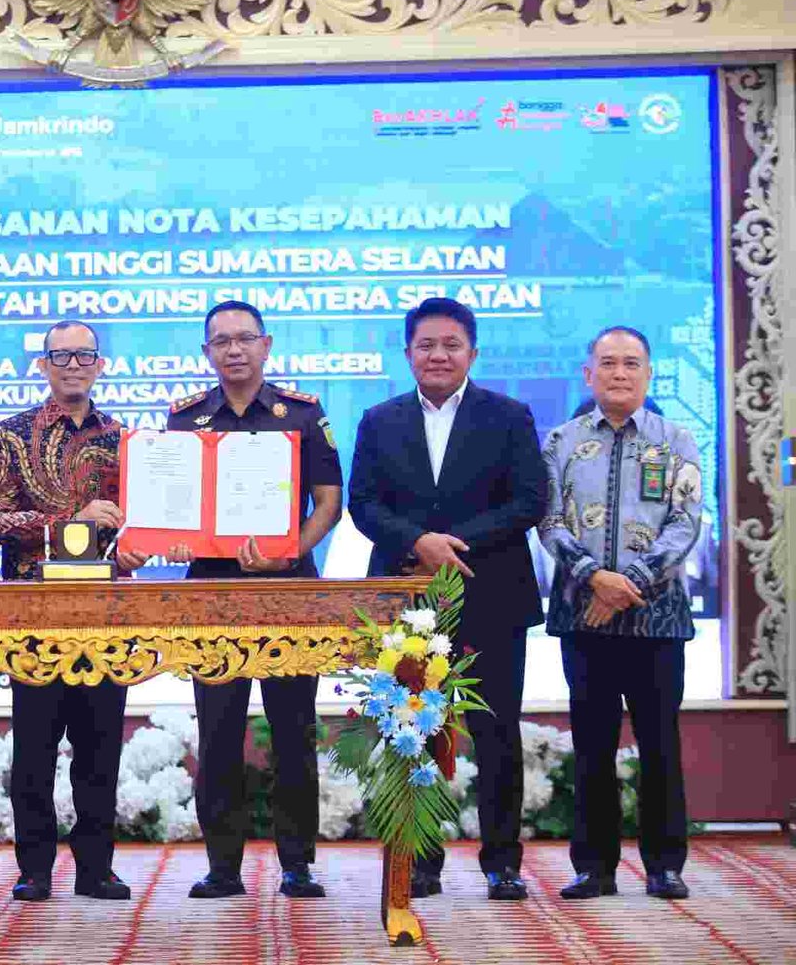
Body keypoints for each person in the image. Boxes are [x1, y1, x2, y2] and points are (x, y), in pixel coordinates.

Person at [347, 296, 546, 901]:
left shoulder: (509, 416)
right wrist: (418, 542)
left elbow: (529, 500)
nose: (438, 355)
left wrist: (450, 544)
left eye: (451, 345)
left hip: (493, 595)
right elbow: (363, 503)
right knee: (413, 729)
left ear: (472, 353)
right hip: (406, 597)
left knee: (497, 731)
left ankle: (502, 862)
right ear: (408, 353)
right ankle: (420, 861)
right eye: (426, 345)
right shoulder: (379, 420)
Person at [160, 300, 343, 901]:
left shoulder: (303, 413)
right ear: (206, 352)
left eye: (245, 339)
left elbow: (328, 501)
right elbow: (171, 504)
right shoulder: (185, 419)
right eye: (222, 341)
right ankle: (223, 867)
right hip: (213, 595)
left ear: (266, 345)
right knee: (218, 732)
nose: (234, 350)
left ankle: (297, 864)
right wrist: (167, 536)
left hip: (288, 593)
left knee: (293, 729)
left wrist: (291, 552)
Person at [539, 327, 701, 902]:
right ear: (589, 374)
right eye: (608, 363)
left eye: (632, 363)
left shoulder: (677, 439)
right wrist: (594, 578)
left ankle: (665, 865)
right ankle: (594, 867)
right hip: (584, 614)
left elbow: (686, 522)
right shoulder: (560, 441)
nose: (619, 373)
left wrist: (629, 581)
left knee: (660, 743)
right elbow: (548, 521)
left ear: (648, 373)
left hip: (657, 617)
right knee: (592, 744)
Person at [0, 319, 134, 902]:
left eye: (84, 355)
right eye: (61, 356)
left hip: (105, 614)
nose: (73, 365)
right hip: (34, 613)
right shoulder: (11, 435)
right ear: (42, 365)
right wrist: (75, 520)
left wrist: (139, 541)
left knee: (100, 747)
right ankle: (35, 868)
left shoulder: (124, 440)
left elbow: (139, 519)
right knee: (35, 746)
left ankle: (96, 867)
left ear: (100, 365)